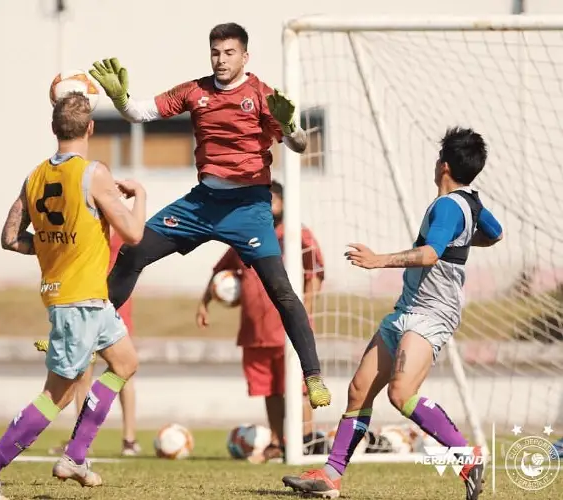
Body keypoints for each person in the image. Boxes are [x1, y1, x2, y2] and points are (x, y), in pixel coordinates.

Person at [89, 22, 331, 410]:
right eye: (216, 53)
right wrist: (119, 99)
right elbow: (139, 113)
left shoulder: (262, 95)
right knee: (133, 251)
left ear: (245, 57)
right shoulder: (195, 91)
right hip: (202, 204)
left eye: (229, 53)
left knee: (281, 290)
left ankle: (313, 376)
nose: (221, 60)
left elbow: (300, 146)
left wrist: (289, 126)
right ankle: (84, 331)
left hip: (249, 208)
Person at [282, 127, 503, 500]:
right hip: (407, 309)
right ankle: (331, 476)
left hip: (431, 314)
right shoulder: (473, 203)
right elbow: (494, 234)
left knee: (401, 394)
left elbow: (431, 254)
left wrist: (377, 261)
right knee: (359, 390)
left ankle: (467, 456)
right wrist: (460, 241)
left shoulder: (448, 205)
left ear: (443, 165)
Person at [0, 92, 147, 500]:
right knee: (57, 396)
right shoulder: (93, 173)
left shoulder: (34, 177)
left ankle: (76, 455)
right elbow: (133, 234)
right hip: (78, 301)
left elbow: (10, 238)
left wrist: (49, 248)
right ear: (91, 128)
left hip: (87, 299)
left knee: (125, 361)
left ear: (53, 129)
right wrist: (141, 196)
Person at [196, 180, 324, 462]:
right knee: (270, 391)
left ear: (283, 202)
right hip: (256, 330)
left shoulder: (296, 235)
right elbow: (221, 271)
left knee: (300, 388)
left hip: (288, 329)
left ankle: (306, 439)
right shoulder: (245, 235)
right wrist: (205, 302)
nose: (268, 205)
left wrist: (307, 309)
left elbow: (315, 272)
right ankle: (278, 442)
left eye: (273, 200)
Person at [37, 228, 141, 457]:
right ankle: (83, 439)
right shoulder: (88, 216)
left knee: (124, 368)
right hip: (84, 298)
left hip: (114, 300)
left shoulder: (121, 222)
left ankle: (129, 438)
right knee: (84, 372)